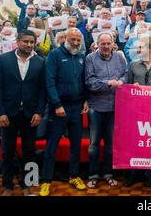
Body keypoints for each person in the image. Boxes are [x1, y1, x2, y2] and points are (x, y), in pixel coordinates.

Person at [0, 29, 46, 196]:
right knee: (7, 151)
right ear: (17, 41)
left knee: (30, 151)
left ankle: (28, 185)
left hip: (31, 115)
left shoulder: (40, 62)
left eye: (32, 42)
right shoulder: (3, 59)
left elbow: (43, 91)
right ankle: (7, 186)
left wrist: (39, 112)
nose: (29, 45)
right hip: (8, 114)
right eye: (25, 41)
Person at [40, 28, 89, 196]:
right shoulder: (54, 55)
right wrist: (57, 104)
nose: (75, 43)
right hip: (59, 108)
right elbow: (49, 82)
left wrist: (85, 100)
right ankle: (46, 180)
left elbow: (84, 81)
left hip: (76, 108)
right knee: (51, 146)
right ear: (65, 39)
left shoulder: (81, 56)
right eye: (72, 39)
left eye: (78, 40)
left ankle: (74, 176)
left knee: (75, 145)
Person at [85, 33, 127, 189]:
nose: (106, 46)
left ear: (113, 43)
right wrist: (108, 83)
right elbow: (90, 82)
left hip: (115, 107)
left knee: (111, 144)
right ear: (97, 44)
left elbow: (125, 74)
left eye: (108, 43)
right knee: (94, 144)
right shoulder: (90, 58)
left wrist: (121, 81)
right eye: (103, 44)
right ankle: (93, 175)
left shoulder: (119, 58)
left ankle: (108, 174)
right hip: (96, 107)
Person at [125, 36, 151, 188]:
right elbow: (126, 87)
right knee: (136, 142)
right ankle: (134, 174)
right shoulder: (133, 65)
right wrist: (132, 88)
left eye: (141, 47)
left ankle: (150, 175)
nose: (138, 50)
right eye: (138, 47)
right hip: (136, 110)